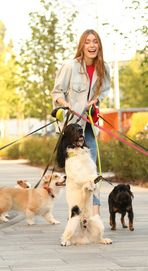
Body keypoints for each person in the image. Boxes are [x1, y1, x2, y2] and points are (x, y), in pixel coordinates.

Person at [51, 29, 111, 216]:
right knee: (74, 172)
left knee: (92, 170)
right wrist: (65, 104)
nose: (92, 45)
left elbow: (102, 92)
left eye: (95, 42)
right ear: (82, 46)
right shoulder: (70, 66)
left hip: (89, 126)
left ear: (99, 45)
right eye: (87, 42)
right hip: (71, 128)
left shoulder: (104, 68)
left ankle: (95, 215)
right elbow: (57, 92)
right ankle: (75, 214)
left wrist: (94, 101)